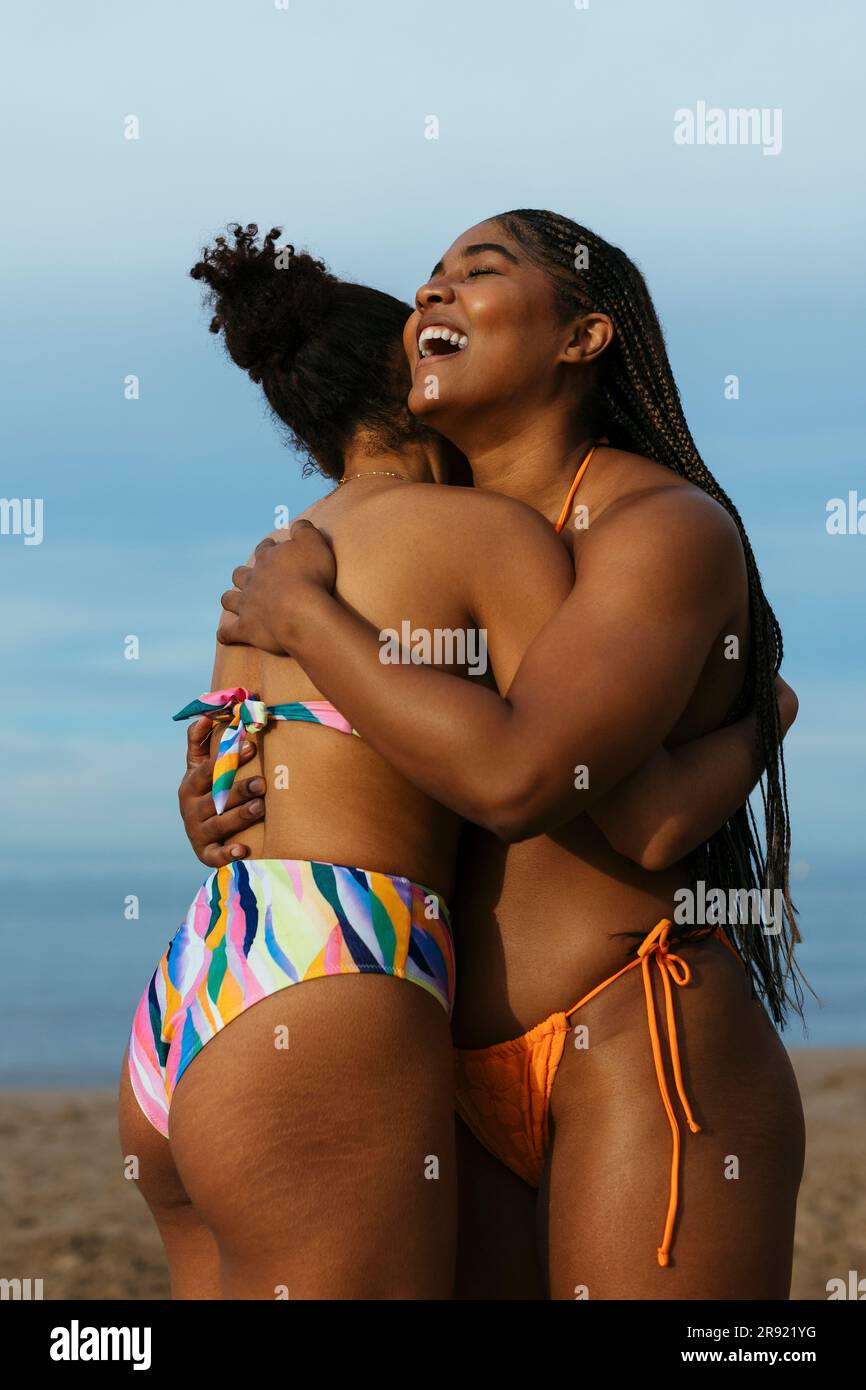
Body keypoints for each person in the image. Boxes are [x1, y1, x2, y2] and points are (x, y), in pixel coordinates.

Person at [216, 211, 806, 1299]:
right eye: (428, 278)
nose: (432, 293)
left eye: (477, 271)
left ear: (583, 337)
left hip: (635, 1041)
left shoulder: (656, 525)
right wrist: (234, 791)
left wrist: (307, 620)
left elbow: (535, 782)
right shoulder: (441, 536)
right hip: (441, 1069)